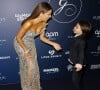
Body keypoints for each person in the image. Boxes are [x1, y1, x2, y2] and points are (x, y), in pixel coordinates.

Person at [14, 2, 62, 90]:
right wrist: (26, 50)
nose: (50, 16)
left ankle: (34, 86)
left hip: (30, 42)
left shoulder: (44, 23)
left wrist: (53, 44)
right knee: (30, 65)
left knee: (34, 66)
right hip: (20, 43)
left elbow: (42, 38)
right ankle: (27, 87)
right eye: (48, 14)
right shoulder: (28, 23)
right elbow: (18, 38)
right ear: (41, 14)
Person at [69, 20, 92, 90]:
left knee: (75, 80)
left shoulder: (81, 41)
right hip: (76, 62)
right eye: (75, 25)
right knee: (77, 80)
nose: (74, 27)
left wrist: (79, 64)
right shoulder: (77, 37)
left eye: (77, 27)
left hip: (79, 63)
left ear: (83, 31)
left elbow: (81, 52)